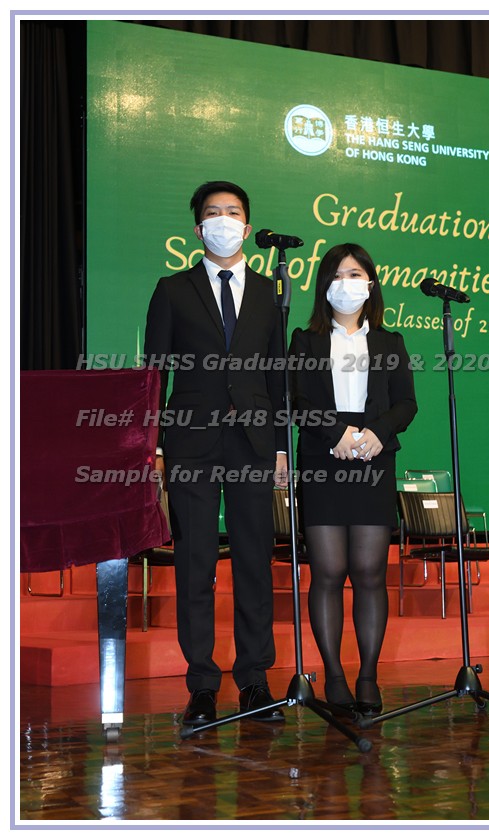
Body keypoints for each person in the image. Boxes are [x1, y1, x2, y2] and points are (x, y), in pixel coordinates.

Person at [145, 181, 288, 726]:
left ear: (247, 227)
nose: (224, 220)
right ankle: (202, 685)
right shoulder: (172, 290)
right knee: (195, 563)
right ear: (198, 228)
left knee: (254, 561)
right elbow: (154, 374)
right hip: (190, 442)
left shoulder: (271, 292)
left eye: (233, 212)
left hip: (254, 442)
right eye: (213, 213)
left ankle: (254, 681)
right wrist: (153, 444)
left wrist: (281, 446)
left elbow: (277, 374)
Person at [289, 243, 417, 715]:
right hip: (324, 457)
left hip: (373, 457)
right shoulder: (304, 340)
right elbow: (296, 400)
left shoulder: (390, 342)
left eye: (356, 274)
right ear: (325, 285)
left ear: (371, 283)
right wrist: (336, 433)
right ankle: (334, 676)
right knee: (328, 571)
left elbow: (406, 403)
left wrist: (376, 433)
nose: (347, 283)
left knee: (368, 572)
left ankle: (367, 676)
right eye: (338, 275)